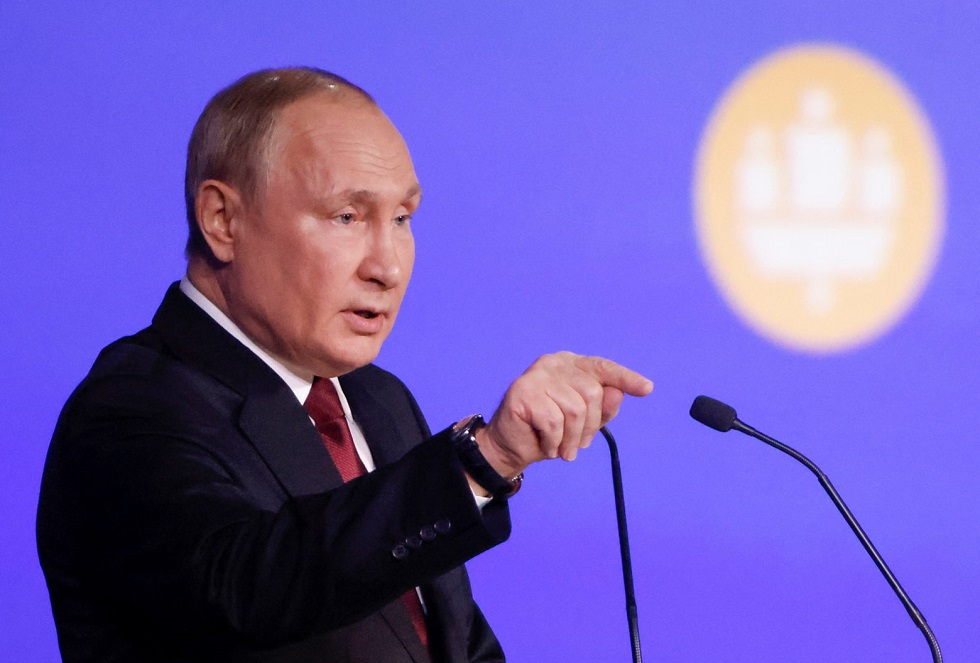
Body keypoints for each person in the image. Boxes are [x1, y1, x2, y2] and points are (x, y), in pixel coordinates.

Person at [37, 67, 653, 663]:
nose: (388, 267)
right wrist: (484, 459)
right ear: (223, 221)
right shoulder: (130, 408)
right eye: (347, 217)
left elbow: (450, 646)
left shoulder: (377, 400)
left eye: (402, 219)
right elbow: (255, 587)